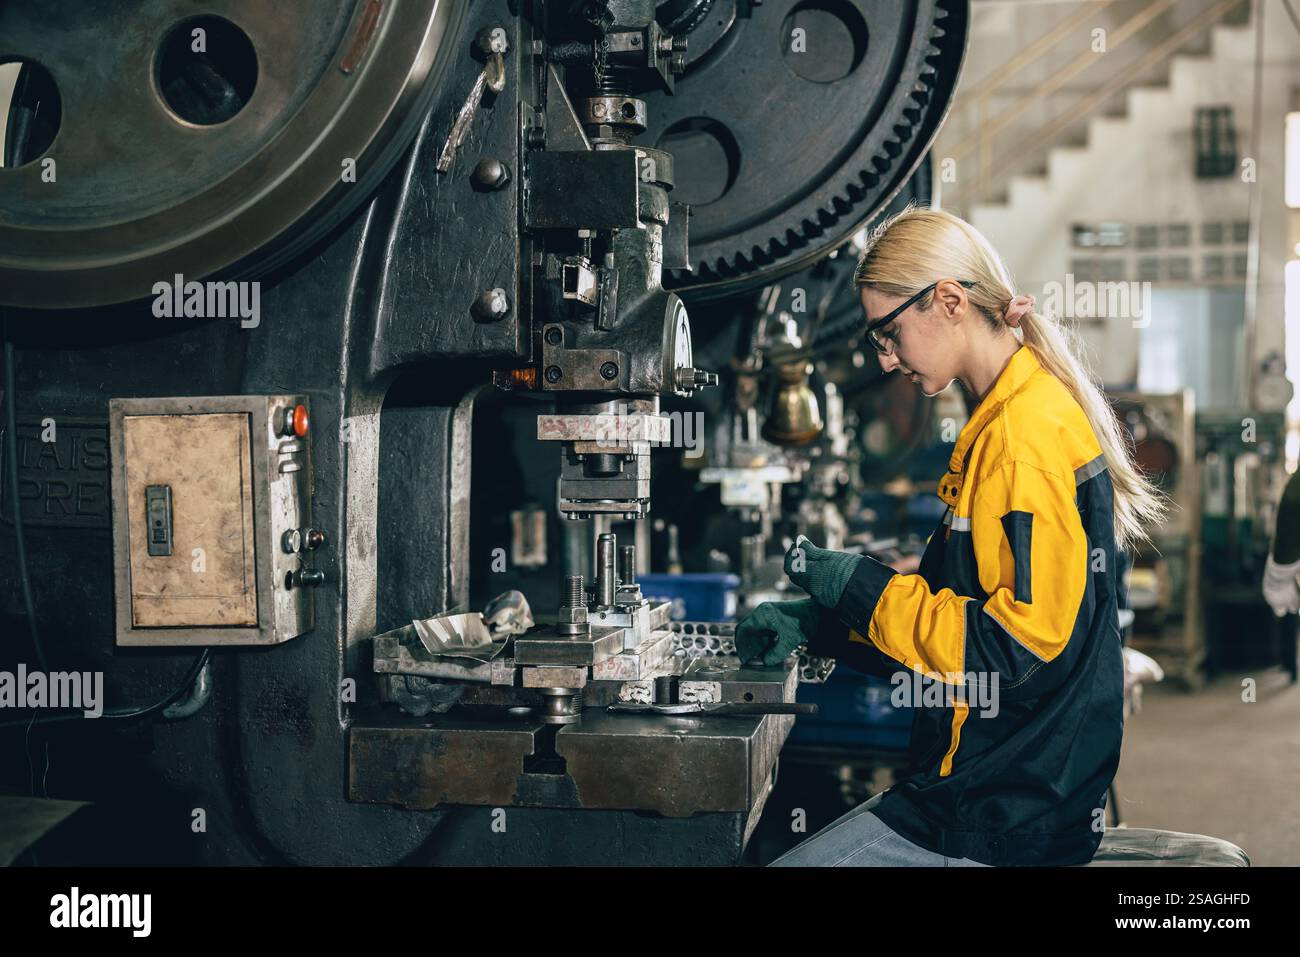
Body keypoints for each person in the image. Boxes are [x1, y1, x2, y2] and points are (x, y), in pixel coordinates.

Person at [738, 206, 1167, 866]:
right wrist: (826, 623)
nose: (885, 360)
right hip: (989, 790)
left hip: (1003, 811)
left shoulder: (1023, 438)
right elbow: (954, 629)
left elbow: (1008, 657)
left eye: (889, 333)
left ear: (947, 301)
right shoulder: (1006, 419)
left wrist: (861, 584)